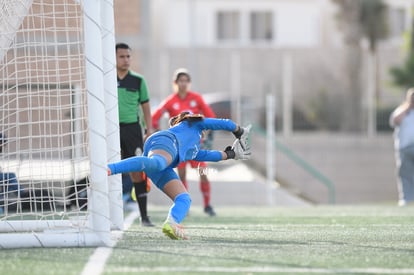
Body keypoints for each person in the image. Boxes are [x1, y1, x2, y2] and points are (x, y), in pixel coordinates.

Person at [108, 112, 251, 240]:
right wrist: (239, 131)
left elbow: (212, 155)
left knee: (184, 198)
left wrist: (232, 154)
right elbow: (224, 123)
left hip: (164, 165)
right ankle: (109, 168)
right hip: (166, 141)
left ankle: (172, 223)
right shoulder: (193, 124)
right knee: (157, 163)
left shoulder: (195, 150)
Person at [152, 68, 217, 216]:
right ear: (175, 83)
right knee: (181, 175)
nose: (183, 83)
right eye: (180, 81)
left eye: (186, 81)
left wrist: (207, 133)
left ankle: (207, 205)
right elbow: (155, 117)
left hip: (195, 145)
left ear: (189, 83)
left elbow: (210, 116)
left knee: (203, 173)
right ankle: (185, 205)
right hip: (179, 147)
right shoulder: (170, 101)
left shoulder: (196, 98)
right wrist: (156, 133)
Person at [115, 42, 154, 226]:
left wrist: (149, 129)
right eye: (122, 56)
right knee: (109, 168)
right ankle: (106, 213)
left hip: (132, 130)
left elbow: (145, 105)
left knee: (137, 172)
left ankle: (144, 216)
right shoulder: (105, 78)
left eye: (128, 56)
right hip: (111, 130)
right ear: (114, 57)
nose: (126, 60)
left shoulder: (138, 80)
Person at [389, 88, 414, 206]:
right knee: (405, 173)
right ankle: (406, 198)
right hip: (405, 148)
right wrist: (408, 107)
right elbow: (395, 120)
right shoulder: (402, 110)